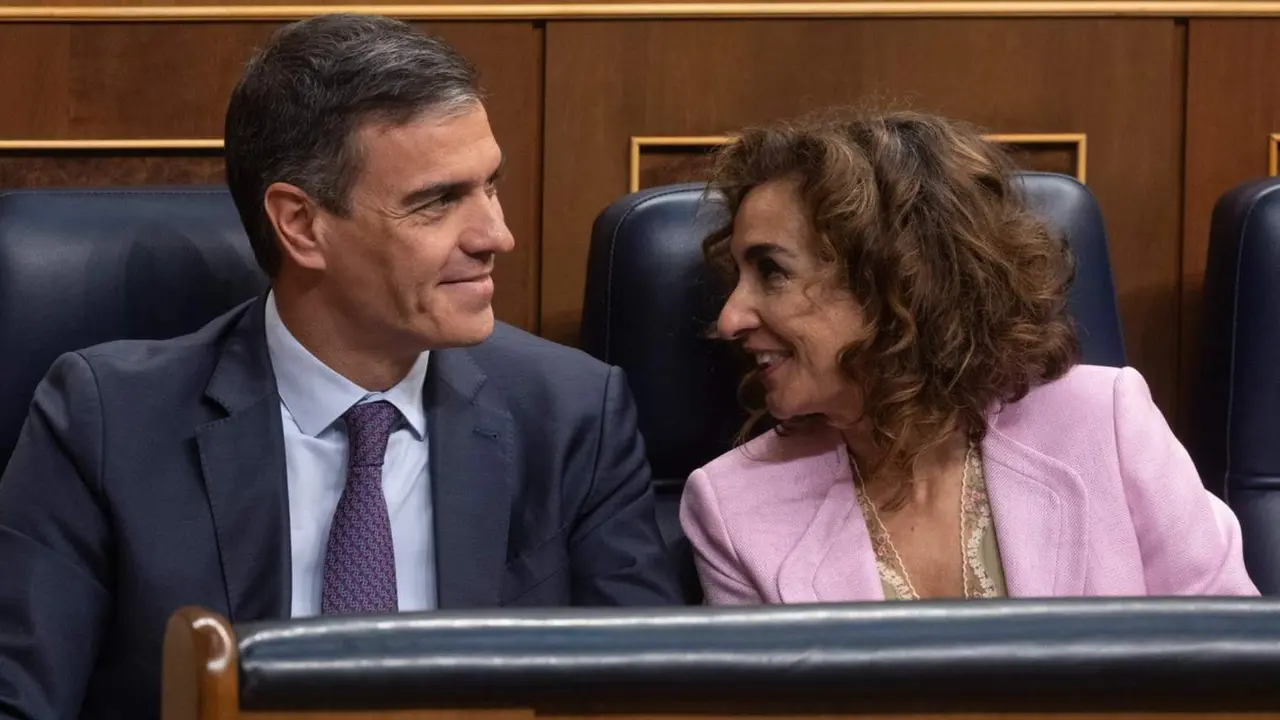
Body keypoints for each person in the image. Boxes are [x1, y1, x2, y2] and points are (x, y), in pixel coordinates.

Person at [0, 14, 681, 720]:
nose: (495, 236)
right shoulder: (106, 423)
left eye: (491, 187)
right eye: (439, 201)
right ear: (300, 225)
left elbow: (646, 703)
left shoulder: (572, 415)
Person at [679, 109, 1258, 605]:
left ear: (898, 279)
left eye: (773, 271)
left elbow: (1231, 671)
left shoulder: (1105, 424)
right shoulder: (732, 509)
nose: (730, 318)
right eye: (739, 276)